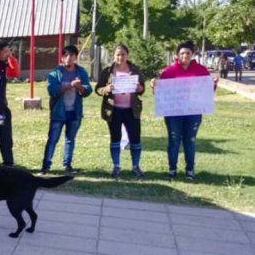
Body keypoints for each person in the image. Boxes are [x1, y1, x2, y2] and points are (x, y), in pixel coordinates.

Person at [152, 41, 217, 180]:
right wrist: (154, 87)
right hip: (173, 113)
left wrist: (214, 84)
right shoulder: (168, 72)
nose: (185, 56)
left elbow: (207, 91)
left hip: (193, 112)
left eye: (188, 53)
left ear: (192, 54)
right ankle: (172, 169)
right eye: (182, 53)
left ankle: (190, 170)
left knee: (190, 140)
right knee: (174, 139)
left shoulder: (201, 70)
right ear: (177, 55)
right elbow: (161, 94)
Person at [94, 44, 146, 179]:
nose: (120, 57)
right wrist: (106, 89)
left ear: (127, 55)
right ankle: (116, 166)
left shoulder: (134, 69)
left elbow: (142, 89)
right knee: (115, 138)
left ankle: (136, 166)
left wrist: (140, 88)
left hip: (131, 110)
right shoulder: (107, 71)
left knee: (135, 138)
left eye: (123, 54)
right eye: (118, 54)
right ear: (114, 56)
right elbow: (98, 89)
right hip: (114, 110)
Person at [41, 45, 93, 175]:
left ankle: (67, 165)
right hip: (58, 113)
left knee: (70, 139)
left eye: (72, 55)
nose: (69, 58)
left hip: (74, 112)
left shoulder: (81, 72)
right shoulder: (54, 73)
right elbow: (52, 91)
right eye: (66, 55)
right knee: (52, 139)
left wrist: (80, 87)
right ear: (62, 57)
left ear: (76, 57)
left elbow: (88, 90)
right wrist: (70, 85)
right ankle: (45, 166)